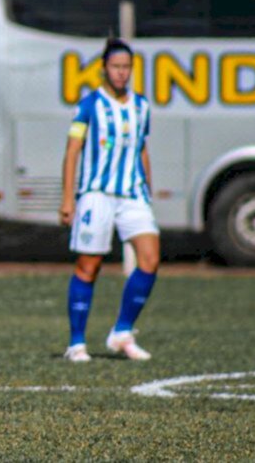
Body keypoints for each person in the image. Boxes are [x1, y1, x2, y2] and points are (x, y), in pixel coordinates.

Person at [58, 37, 160, 363]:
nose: (121, 73)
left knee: (150, 259)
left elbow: (142, 148)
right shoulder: (90, 105)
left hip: (132, 194)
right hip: (96, 195)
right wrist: (68, 199)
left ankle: (122, 331)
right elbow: (73, 151)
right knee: (89, 266)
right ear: (104, 69)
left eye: (126, 67)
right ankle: (77, 343)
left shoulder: (141, 106)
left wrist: (148, 187)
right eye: (116, 67)